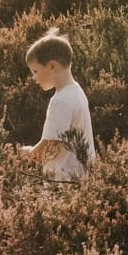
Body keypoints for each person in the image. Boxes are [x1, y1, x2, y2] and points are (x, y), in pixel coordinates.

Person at [22, 29, 95, 181]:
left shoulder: (60, 101)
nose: (34, 78)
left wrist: (29, 152)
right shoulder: (77, 92)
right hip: (81, 178)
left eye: (35, 71)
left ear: (52, 66)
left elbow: (49, 145)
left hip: (63, 182)